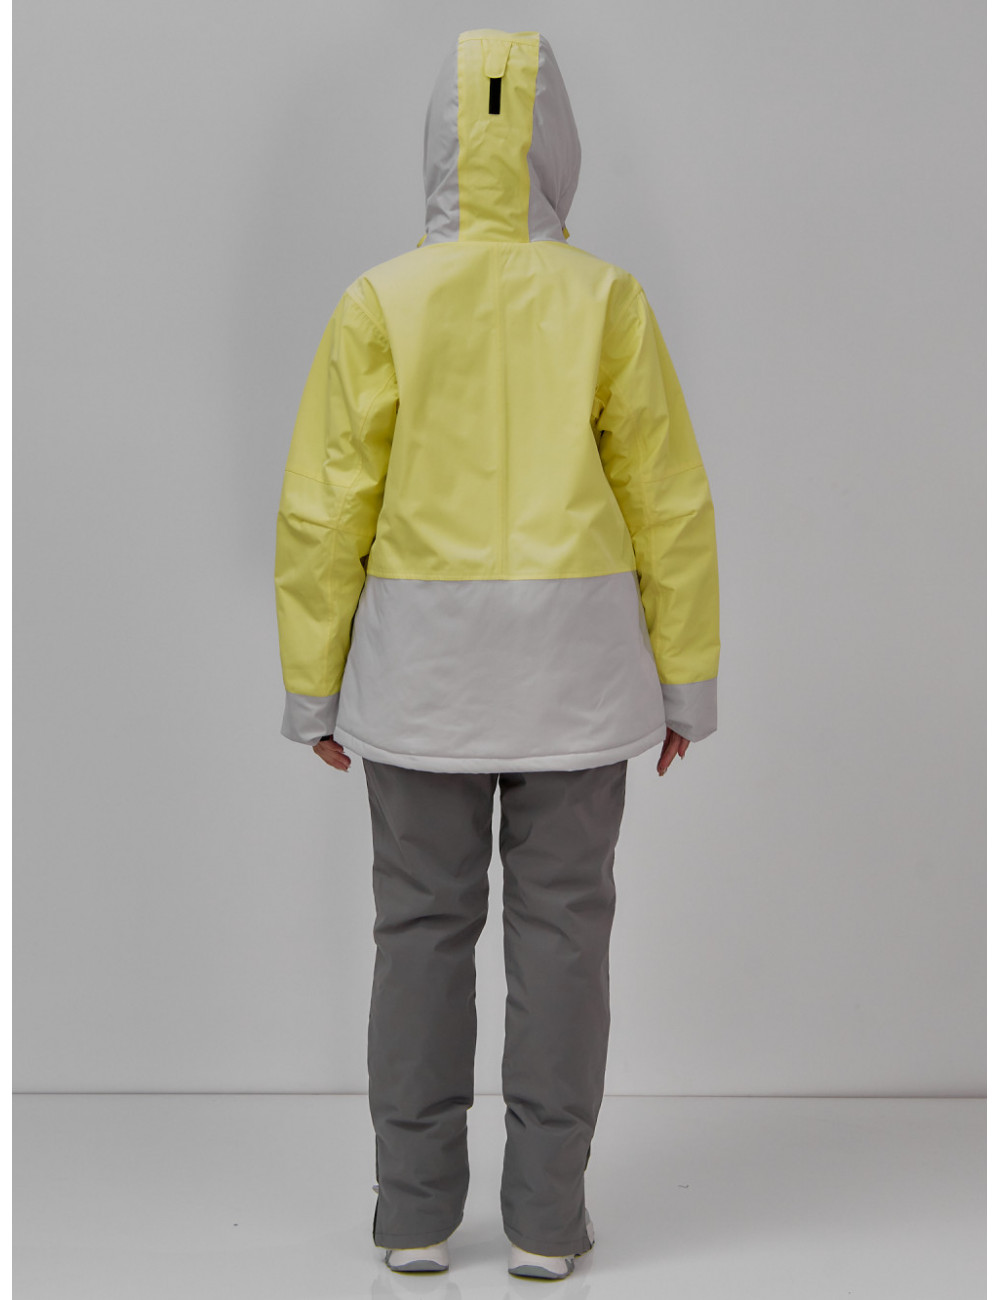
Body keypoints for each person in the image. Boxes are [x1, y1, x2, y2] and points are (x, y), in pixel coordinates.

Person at [273, 27, 721, 1281]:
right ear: (553, 145)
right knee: (562, 937)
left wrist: (313, 686)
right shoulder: (605, 300)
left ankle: (414, 1214)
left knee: (419, 931)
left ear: (440, 142)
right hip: (579, 677)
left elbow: (324, 508)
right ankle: (544, 1221)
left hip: (421, 675)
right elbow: (668, 502)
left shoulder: (382, 301)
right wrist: (684, 682)